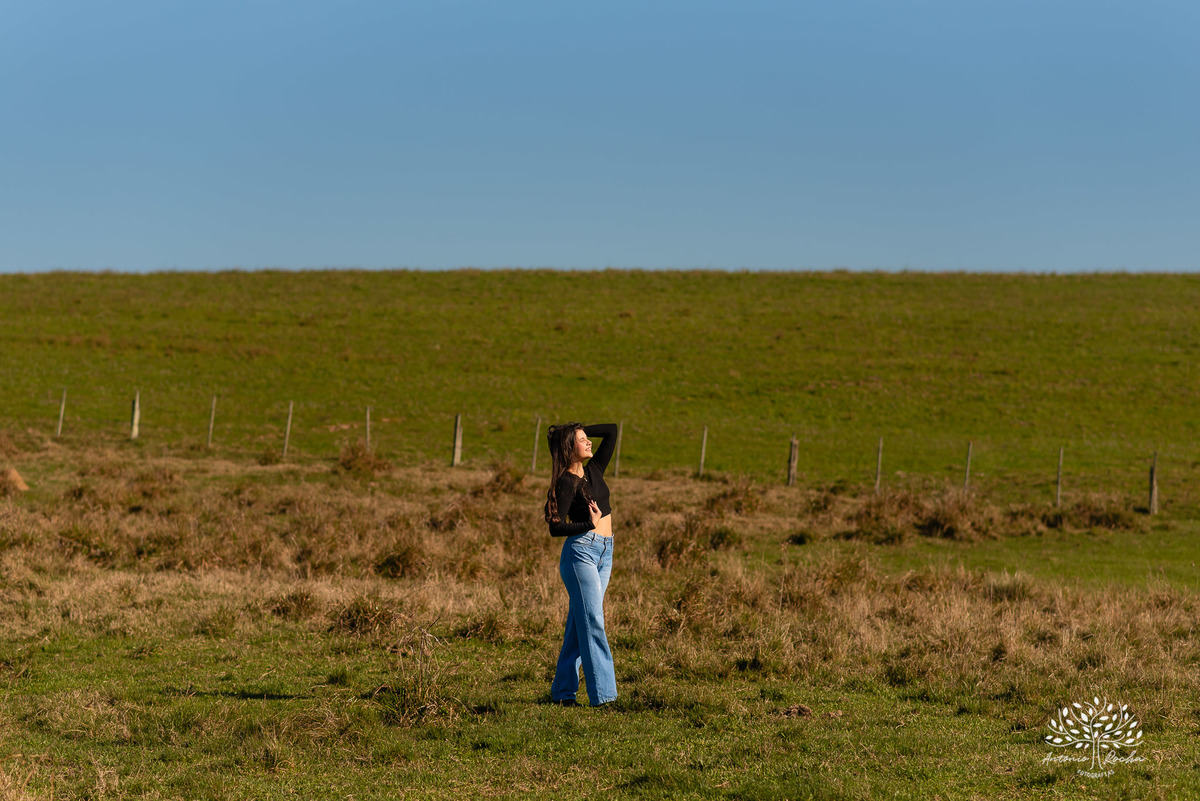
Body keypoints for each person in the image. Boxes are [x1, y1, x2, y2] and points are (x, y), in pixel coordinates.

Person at [544, 422, 619, 707]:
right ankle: (605, 698)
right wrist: (588, 524)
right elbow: (555, 527)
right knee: (594, 622)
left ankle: (563, 694)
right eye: (582, 440)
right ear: (569, 448)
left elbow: (611, 431)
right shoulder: (566, 481)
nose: (589, 443)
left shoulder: (594, 469)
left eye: (588, 438)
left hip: (605, 552)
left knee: (580, 625)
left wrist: (575, 428)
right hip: (581, 555)